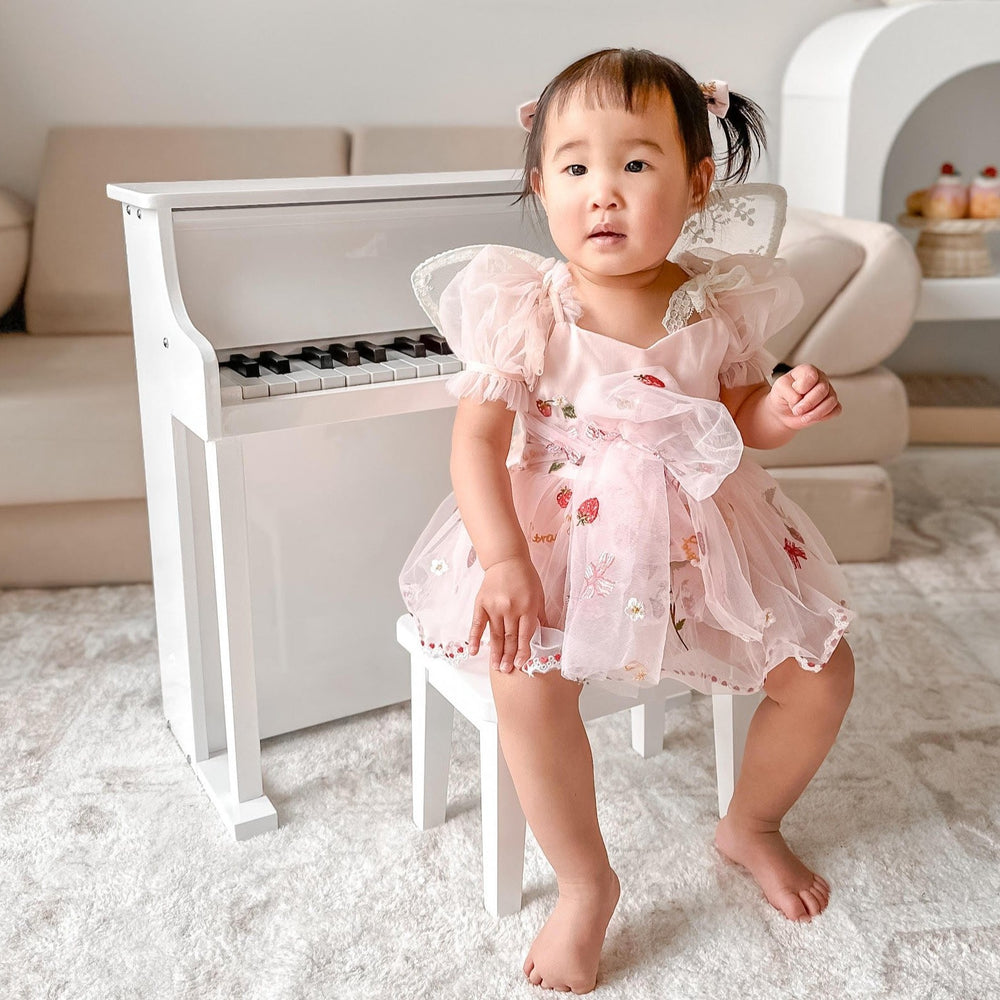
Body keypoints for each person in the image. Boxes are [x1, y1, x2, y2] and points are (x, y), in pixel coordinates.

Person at [398, 47, 856, 995]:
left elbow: (736, 423)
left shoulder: (714, 300)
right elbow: (476, 446)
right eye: (575, 168)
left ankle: (751, 824)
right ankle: (584, 884)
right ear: (539, 185)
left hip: (702, 537)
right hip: (562, 538)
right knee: (526, 682)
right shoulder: (529, 307)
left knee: (822, 677)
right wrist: (502, 560)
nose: (602, 193)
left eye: (635, 165)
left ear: (694, 184)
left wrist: (785, 408)